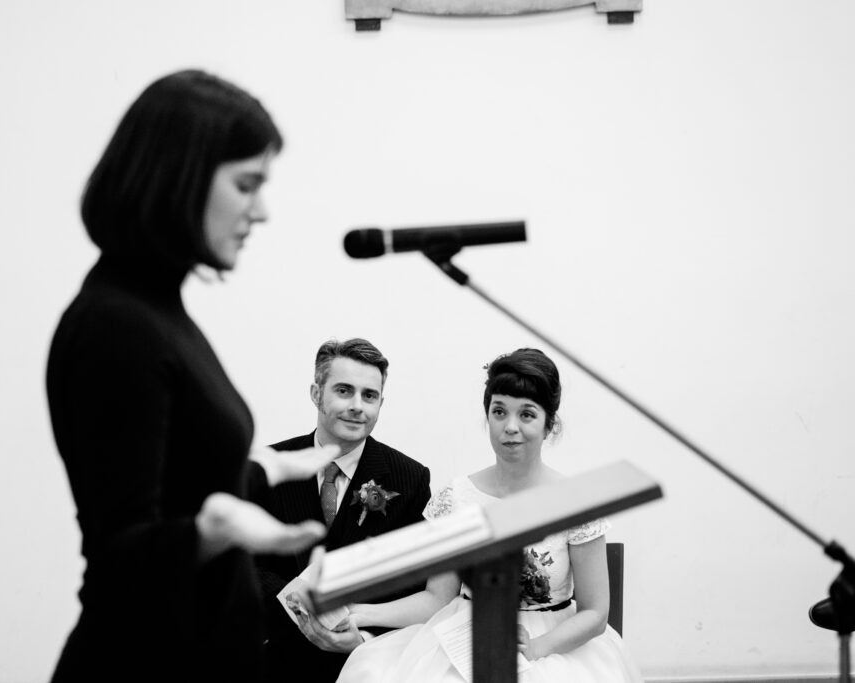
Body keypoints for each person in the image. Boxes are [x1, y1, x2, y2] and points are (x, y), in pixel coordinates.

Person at [45, 69, 339, 682]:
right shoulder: (116, 326)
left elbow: (180, 482)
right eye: (245, 184)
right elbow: (123, 552)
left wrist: (263, 471)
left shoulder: (157, 308)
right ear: (179, 176)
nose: (261, 211)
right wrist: (213, 529)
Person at [336, 347, 645, 683]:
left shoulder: (576, 502)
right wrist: (361, 612)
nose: (510, 427)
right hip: (463, 634)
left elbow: (596, 612)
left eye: (526, 414)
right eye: (499, 412)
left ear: (549, 423)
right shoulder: (456, 498)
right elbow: (436, 598)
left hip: (551, 646)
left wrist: (536, 649)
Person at [250, 337, 433, 683]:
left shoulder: (410, 479)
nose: (357, 406)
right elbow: (241, 562)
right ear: (316, 393)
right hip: (268, 655)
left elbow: (416, 584)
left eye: (370, 395)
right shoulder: (269, 467)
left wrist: (363, 639)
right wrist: (297, 601)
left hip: (358, 666)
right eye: (344, 391)